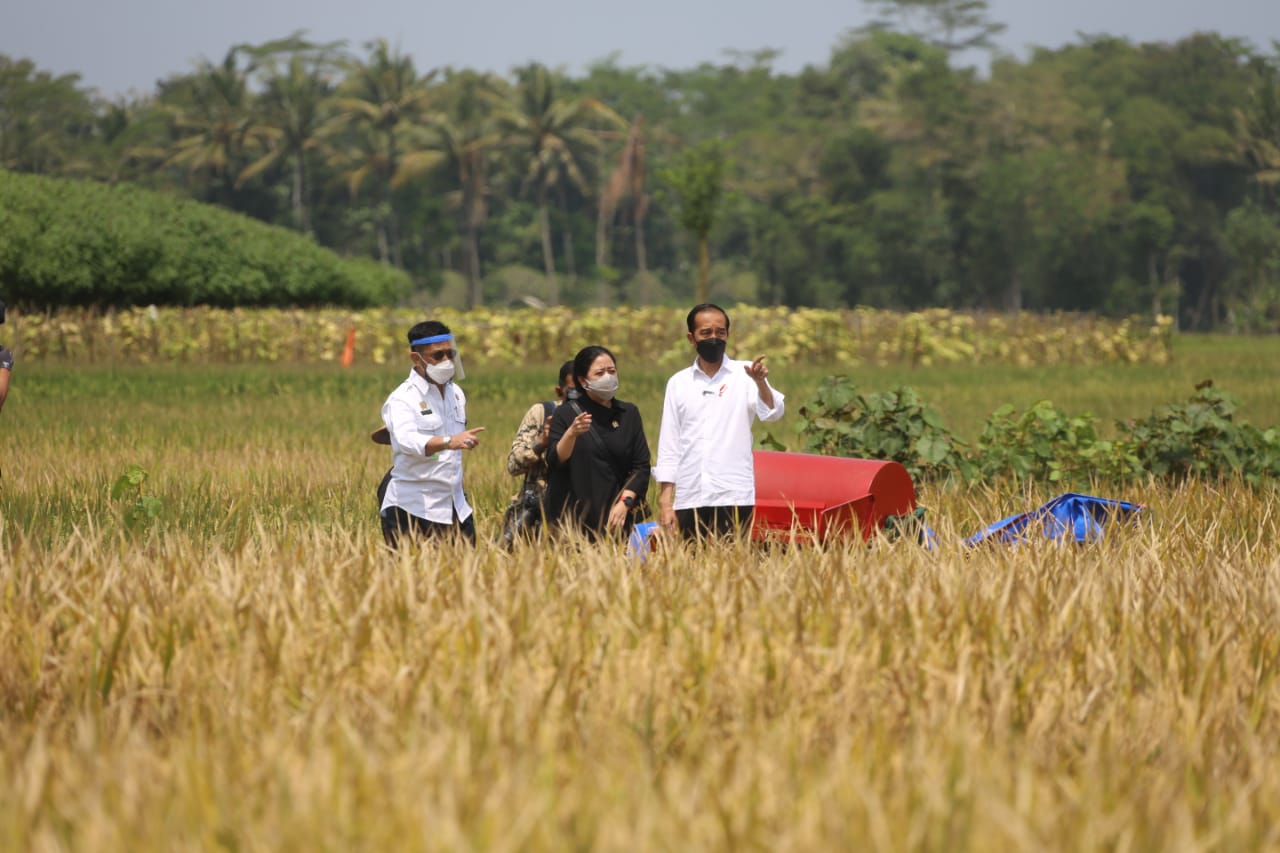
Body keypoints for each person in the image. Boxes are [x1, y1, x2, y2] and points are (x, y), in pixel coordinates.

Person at [654, 303, 785, 540]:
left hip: (733, 495)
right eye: (706, 333)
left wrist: (760, 383)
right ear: (691, 338)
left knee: (732, 569)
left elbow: (773, 412)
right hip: (690, 494)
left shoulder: (745, 374)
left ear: (727, 335)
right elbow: (669, 443)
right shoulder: (678, 383)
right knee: (690, 570)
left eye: (720, 332)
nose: (714, 338)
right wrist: (665, 500)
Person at [378, 320, 486, 547]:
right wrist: (449, 442)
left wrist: (459, 441)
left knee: (467, 577)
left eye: (450, 354)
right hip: (412, 508)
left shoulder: (456, 394)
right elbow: (407, 441)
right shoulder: (402, 399)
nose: (447, 361)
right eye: (438, 356)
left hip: (455, 504)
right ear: (416, 359)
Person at [544, 345, 651, 540]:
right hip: (575, 520)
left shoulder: (629, 413)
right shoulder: (566, 414)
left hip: (618, 518)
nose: (608, 377)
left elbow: (641, 466)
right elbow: (554, 460)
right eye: (599, 373)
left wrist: (625, 502)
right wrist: (571, 434)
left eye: (612, 371)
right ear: (583, 381)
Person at [498, 360, 575, 546]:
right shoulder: (542, 413)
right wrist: (541, 443)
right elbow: (513, 466)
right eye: (573, 392)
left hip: (582, 518)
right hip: (537, 516)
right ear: (559, 391)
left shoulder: (603, 418)